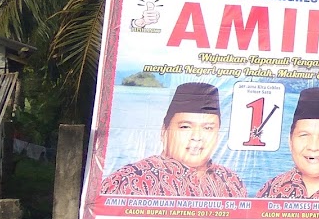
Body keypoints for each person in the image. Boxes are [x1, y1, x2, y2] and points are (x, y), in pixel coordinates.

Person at [99, 82, 246, 197]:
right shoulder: (131, 179)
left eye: (208, 128)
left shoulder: (230, 181)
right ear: (164, 131)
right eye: (185, 127)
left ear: (218, 135)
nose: (196, 137)